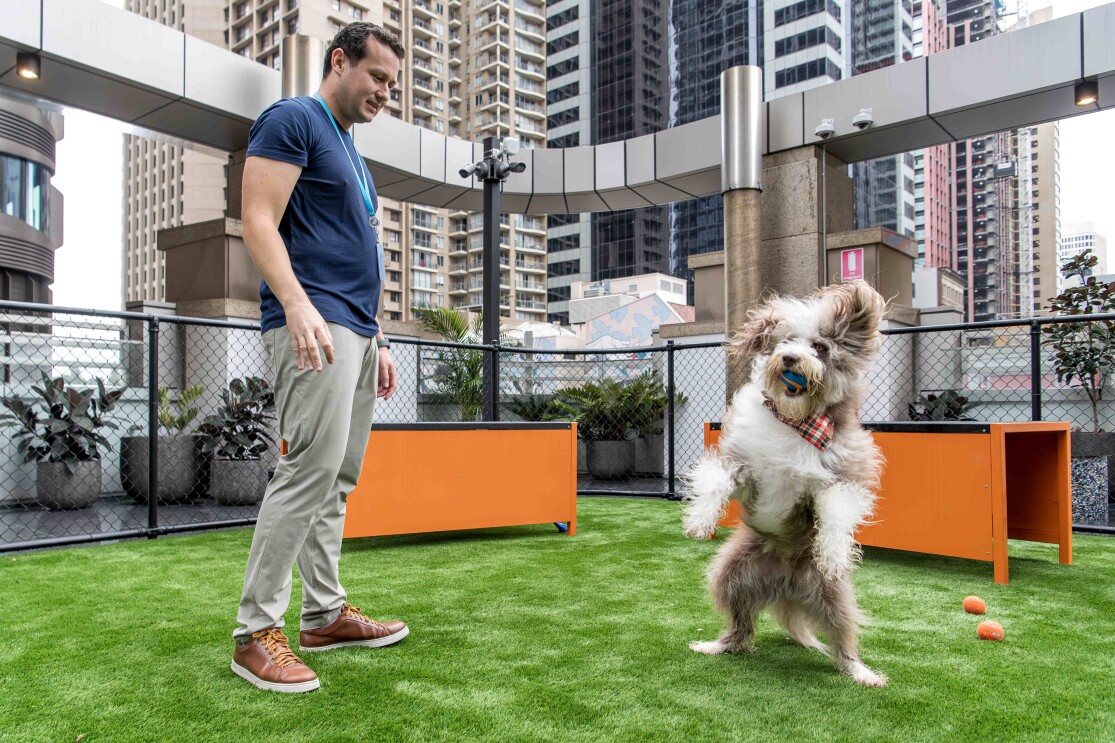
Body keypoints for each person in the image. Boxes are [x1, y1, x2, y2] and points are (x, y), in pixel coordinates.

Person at [230, 23, 407, 694]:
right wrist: (299, 305)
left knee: (338, 474)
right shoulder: (294, 117)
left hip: (356, 329)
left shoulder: (353, 152)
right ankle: (254, 632)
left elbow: (353, 248)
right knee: (308, 469)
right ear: (340, 61)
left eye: (392, 83)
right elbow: (258, 218)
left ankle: (325, 612)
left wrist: (379, 334)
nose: (384, 93)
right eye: (377, 77)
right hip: (313, 321)